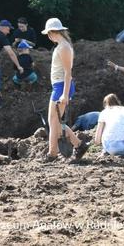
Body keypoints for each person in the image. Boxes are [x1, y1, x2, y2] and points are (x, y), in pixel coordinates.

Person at [42, 18, 89, 161]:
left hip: (62, 86)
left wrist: (64, 94)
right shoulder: (61, 46)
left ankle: (52, 154)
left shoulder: (63, 47)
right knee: (54, 121)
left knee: (53, 121)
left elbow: (68, 73)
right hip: (59, 86)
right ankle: (78, 145)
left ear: (52, 33)